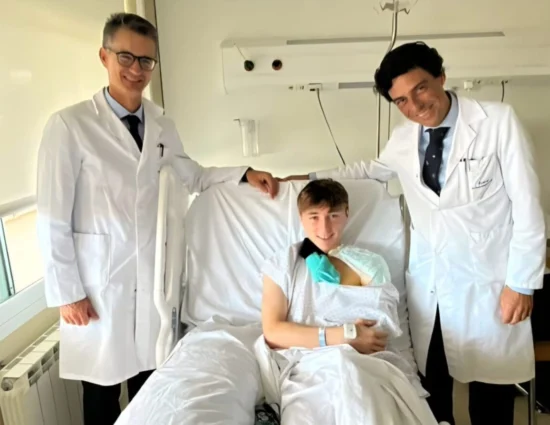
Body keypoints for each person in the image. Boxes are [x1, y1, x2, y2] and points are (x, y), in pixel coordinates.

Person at [282, 41, 546, 425]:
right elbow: (369, 170)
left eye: (420, 88)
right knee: (431, 390)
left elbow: (528, 207)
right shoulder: (404, 138)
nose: (415, 105)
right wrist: (304, 178)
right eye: (401, 100)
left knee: (490, 398)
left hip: (489, 281)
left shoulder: (497, 122)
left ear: (441, 77)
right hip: (431, 286)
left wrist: (521, 284)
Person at [36, 12, 279, 425]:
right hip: (98, 284)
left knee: (150, 391)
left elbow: (192, 175)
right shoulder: (70, 125)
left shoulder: (162, 124)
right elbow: (51, 216)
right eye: (126, 57)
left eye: (146, 60)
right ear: (104, 56)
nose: (136, 69)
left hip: (150, 283)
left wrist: (244, 174)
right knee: (100, 395)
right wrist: (67, 292)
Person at [258, 179, 438, 424]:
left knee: (361, 395)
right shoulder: (283, 265)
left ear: (346, 214)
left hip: (366, 364)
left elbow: (379, 330)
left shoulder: (369, 264)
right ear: (301, 218)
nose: (324, 227)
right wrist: (343, 335)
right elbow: (273, 332)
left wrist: (354, 339)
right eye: (314, 217)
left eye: (333, 216)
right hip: (309, 367)